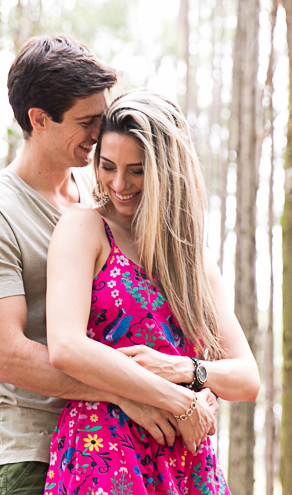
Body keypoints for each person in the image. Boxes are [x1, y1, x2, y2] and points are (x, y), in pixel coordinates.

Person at [0, 37, 218, 495]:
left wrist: (188, 379)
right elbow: (10, 357)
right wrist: (131, 391)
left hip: (122, 450)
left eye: (102, 116)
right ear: (40, 119)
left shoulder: (101, 191)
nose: (99, 133)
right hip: (30, 457)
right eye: (86, 122)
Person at [44, 89, 260, 495]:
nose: (119, 184)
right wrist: (180, 401)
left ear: (167, 171)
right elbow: (66, 346)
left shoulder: (193, 260)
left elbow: (247, 378)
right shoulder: (84, 228)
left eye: (137, 171)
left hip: (188, 463)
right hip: (104, 452)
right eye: (107, 166)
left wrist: (186, 370)